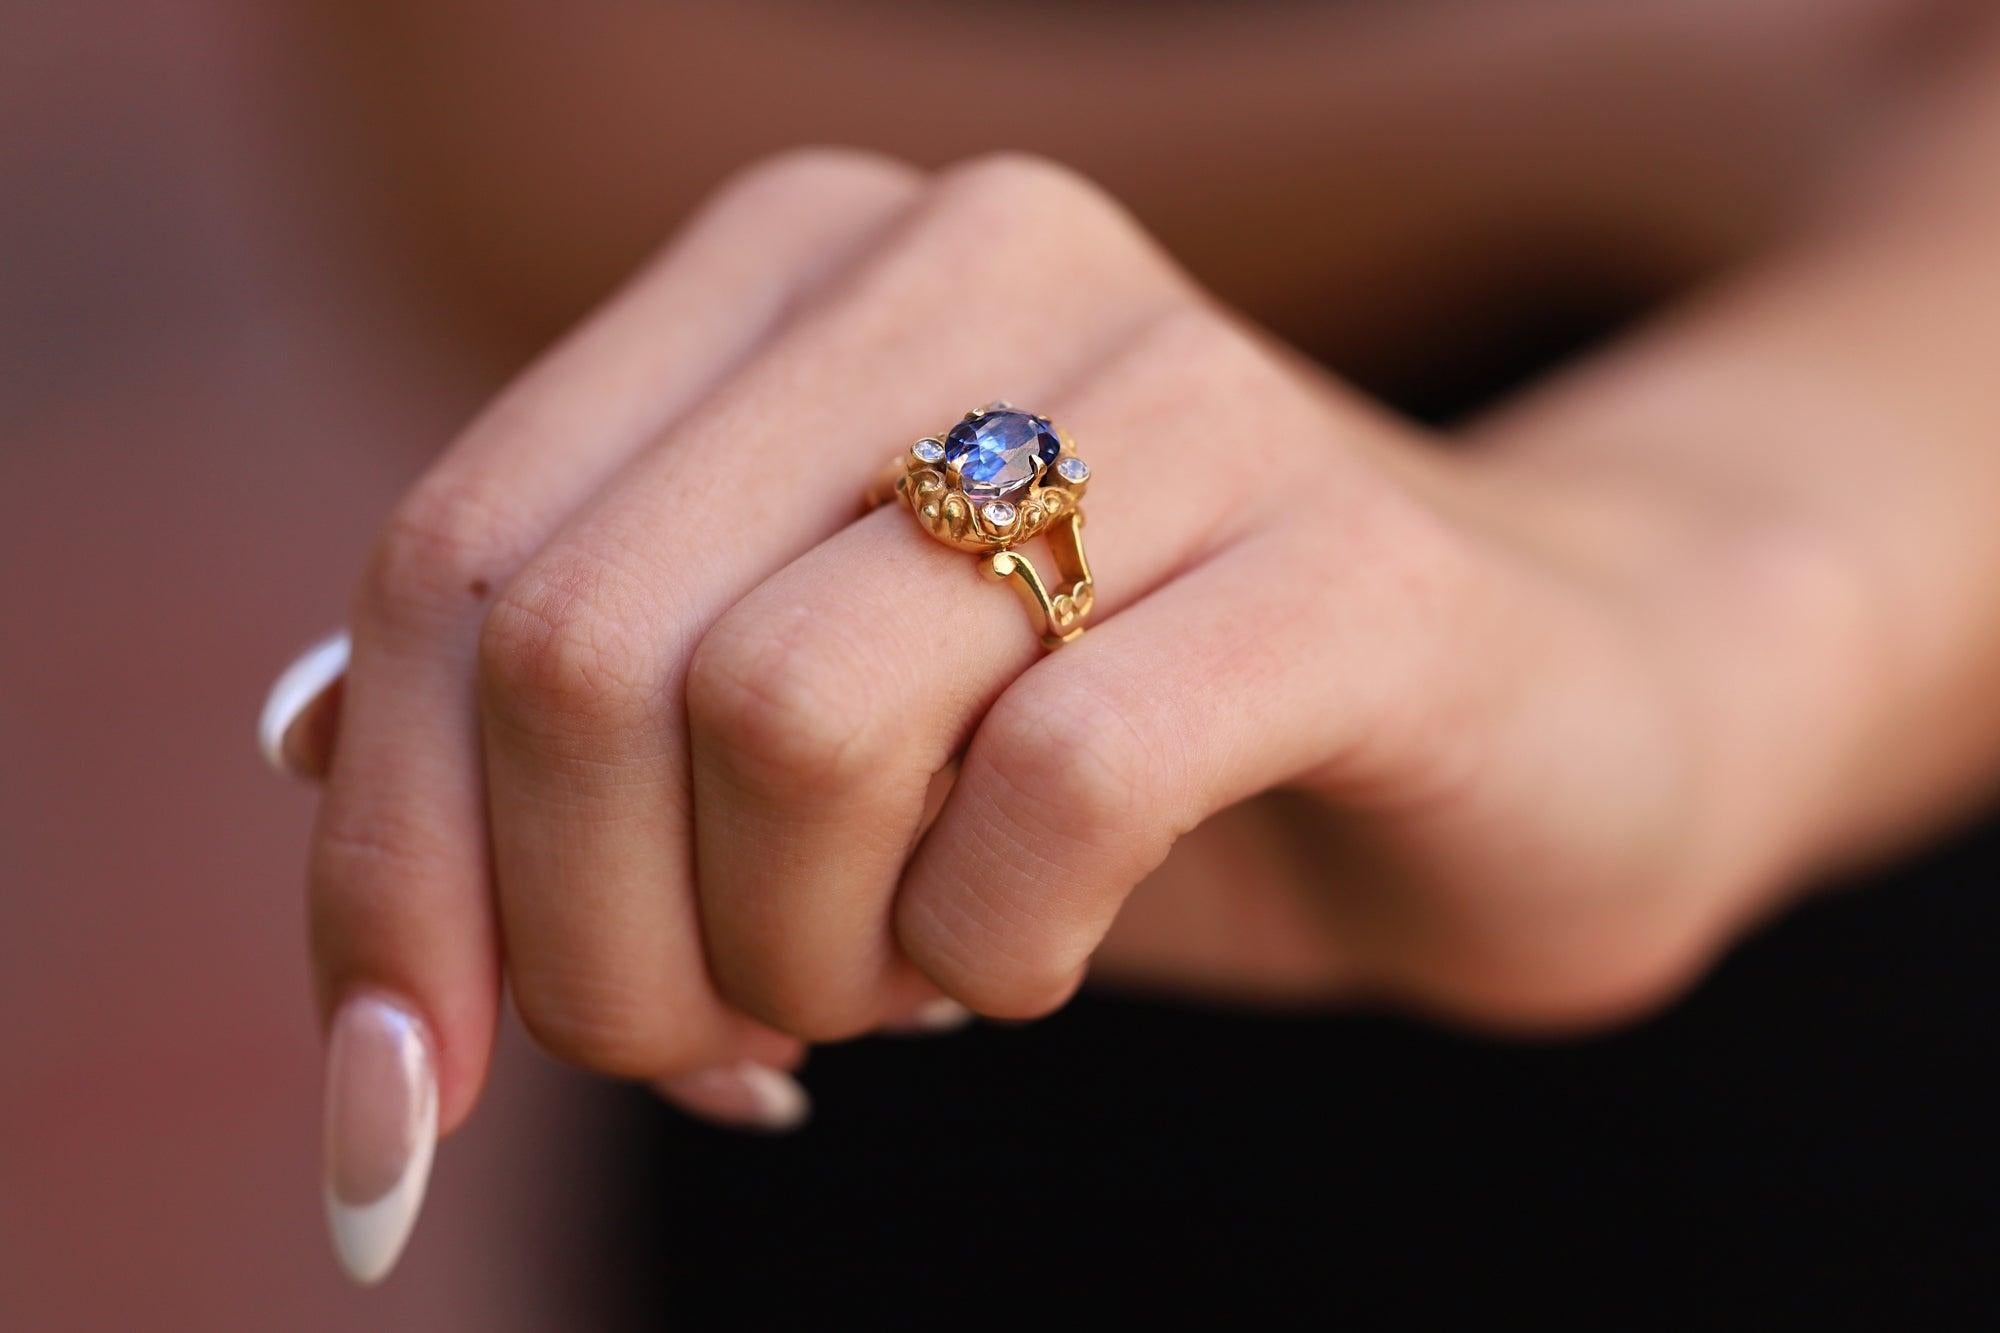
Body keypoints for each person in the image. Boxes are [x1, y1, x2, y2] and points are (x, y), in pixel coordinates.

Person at [256, 0, 2000, 1305]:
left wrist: (1696, 605)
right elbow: (530, 144)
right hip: (887, 851)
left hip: (1860, 774)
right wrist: (1605, 86)